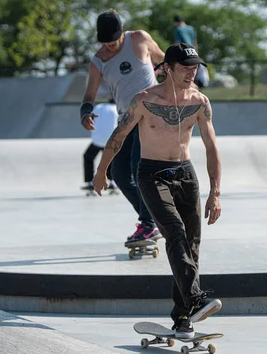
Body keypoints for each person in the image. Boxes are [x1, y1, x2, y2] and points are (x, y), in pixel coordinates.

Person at [92, 42, 223, 339]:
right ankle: (196, 298)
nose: (192, 72)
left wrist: (215, 193)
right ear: (167, 68)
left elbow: (212, 148)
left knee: (191, 245)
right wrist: (102, 171)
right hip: (151, 174)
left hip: (186, 174)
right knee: (174, 232)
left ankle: (182, 318)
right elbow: (118, 135)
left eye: (195, 67)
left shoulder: (200, 102)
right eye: (185, 67)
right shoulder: (143, 100)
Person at [80, 9, 166, 245]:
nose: (109, 45)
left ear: (122, 32)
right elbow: (89, 95)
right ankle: (154, 219)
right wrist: (85, 111)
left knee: (140, 169)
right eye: (105, 41)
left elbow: (164, 60)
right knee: (118, 174)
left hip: (150, 115)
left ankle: (149, 224)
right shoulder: (98, 61)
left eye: (114, 40)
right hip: (125, 120)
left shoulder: (138, 38)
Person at [82, 98, 118, 191]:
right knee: (110, 159)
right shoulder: (116, 109)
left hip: (97, 140)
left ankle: (89, 182)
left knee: (88, 157)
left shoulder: (99, 107)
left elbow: (91, 118)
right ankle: (112, 182)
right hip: (111, 140)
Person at [173, 15, 209, 89]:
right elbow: (195, 42)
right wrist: (196, 54)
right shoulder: (191, 28)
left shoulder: (178, 29)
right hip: (192, 51)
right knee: (193, 71)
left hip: (183, 52)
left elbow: (177, 42)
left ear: (176, 22)